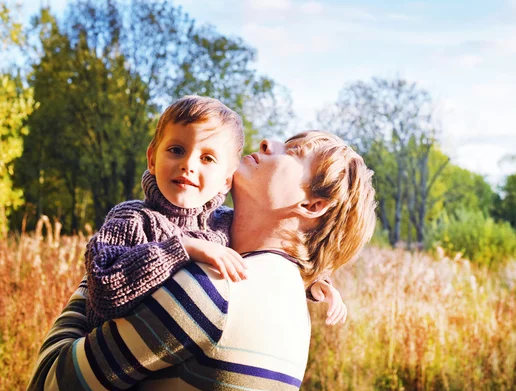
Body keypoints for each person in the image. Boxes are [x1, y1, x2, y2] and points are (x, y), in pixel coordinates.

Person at [25, 130, 377, 391]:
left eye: (295, 152)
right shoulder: (290, 301)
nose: (268, 141)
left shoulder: (214, 288)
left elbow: (47, 388)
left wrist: (97, 273)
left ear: (314, 205)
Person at [83, 95, 344, 329]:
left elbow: (266, 259)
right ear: (152, 159)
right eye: (176, 150)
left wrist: (315, 284)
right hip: (108, 368)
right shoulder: (132, 219)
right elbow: (104, 290)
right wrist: (183, 248)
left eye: (207, 158)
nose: (187, 165)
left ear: (226, 180)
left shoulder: (224, 224)